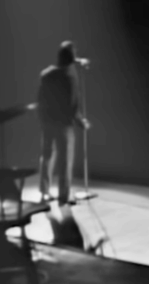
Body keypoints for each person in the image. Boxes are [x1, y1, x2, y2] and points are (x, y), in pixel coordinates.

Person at [36, 41, 90, 205]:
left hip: (47, 121)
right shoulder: (69, 77)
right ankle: (64, 196)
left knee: (47, 157)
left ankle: (44, 192)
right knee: (65, 160)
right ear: (71, 58)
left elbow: (40, 98)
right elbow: (72, 104)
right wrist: (81, 122)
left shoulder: (46, 74)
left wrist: (78, 60)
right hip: (64, 123)